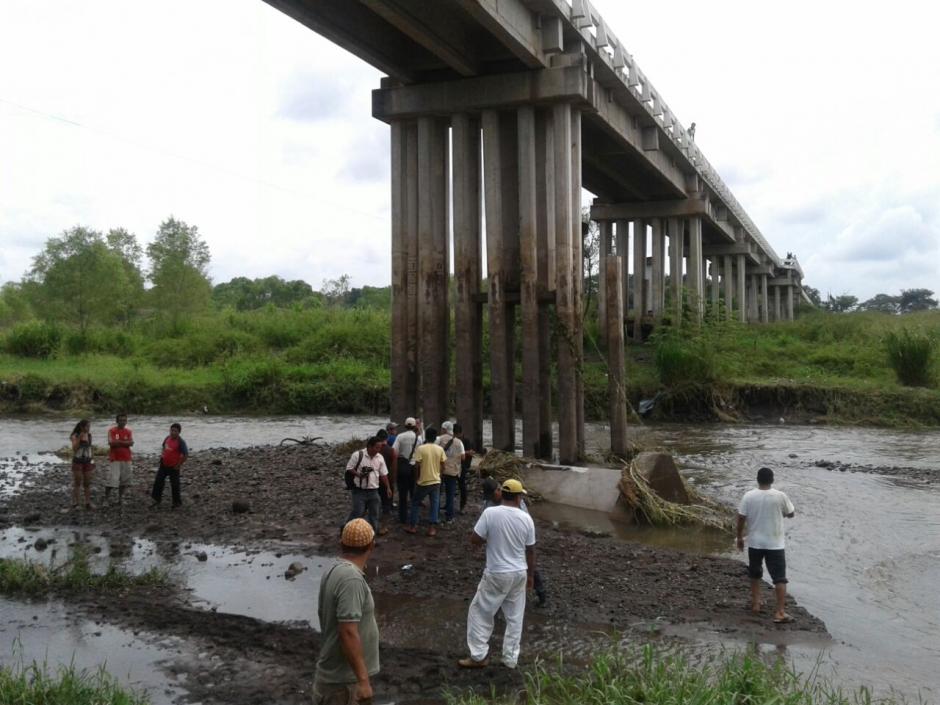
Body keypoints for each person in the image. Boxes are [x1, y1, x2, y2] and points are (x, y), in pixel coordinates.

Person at [459, 479, 536, 670]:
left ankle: (478, 656)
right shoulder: (526, 518)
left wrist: (492, 538)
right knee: (515, 617)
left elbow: (475, 539)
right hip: (519, 572)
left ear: (502, 494)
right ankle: (510, 659)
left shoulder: (490, 513)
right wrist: (531, 576)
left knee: (480, 611)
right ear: (518, 498)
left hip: (497, 572)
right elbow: (531, 550)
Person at [313, 518, 381, 705]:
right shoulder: (351, 579)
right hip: (343, 685)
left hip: (336, 680)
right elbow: (348, 632)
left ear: (341, 544)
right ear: (371, 545)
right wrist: (363, 681)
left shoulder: (334, 569)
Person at [736, 466, 796, 624]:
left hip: (755, 542)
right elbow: (791, 513)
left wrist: (739, 537)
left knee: (755, 574)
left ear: (757, 479)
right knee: (780, 578)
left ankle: (756, 604)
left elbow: (741, 518)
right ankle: (780, 612)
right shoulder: (780, 496)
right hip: (775, 543)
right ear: (772, 480)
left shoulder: (748, 496)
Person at [480, 477, 547, 607]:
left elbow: (525, 521)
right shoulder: (488, 504)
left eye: (493, 495)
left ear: (499, 490)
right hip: (499, 539)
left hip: (516, 538)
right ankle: (500, 597)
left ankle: (540, 592)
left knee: (527, 564)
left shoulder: (517, 502)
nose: (492, 499)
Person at [345, 436, 391, 536]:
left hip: (374, 490)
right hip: (359, 490)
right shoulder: (358, 455)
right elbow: (349, 468)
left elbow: (383, 474)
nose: (378, 450)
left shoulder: (380, 458)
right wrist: (359, 475)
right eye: (376, 448)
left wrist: (388, 487)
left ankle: (373, 533)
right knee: (358, 512)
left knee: (374, 513)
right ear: (370, 446)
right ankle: (346, 529)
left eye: (380, 448)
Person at [407, 426, 446, 537]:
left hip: (423, 481)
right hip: (436, 481)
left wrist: (417, 478)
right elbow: (443, 465)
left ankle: (413, 526)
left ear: (426, 437)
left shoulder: (421, 448)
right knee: (434, 504)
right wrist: (440, 476)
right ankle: (431, 529)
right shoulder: (440, 449)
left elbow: (416, 466)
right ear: (435, 438)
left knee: (415, 503)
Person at [436, 421, 472, 523]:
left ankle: (436, 515)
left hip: (441, 470)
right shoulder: (459, 442)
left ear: (444, 429)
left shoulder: (439, 439)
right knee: (450, 493)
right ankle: (449, 516)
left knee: (438, 492)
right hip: (454, 471)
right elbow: (463, 457)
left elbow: (435, 451)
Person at [391, 417, 421, 525]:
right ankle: (413, 517)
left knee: (402, 495)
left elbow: (394, 451)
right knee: (414, 494)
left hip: (402, 467)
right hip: (414, 469)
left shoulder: (400, 436)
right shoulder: (419, 438)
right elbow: (420, 454)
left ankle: (402, 517)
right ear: (414, 426)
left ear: (405, 425)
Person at [151, 422, 188, 509]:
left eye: (175, 431)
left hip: (174, 467)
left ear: (179, 432)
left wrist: (179, 465)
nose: (173, 432)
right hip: (164, 465)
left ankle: (177, 503)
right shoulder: (167, 438)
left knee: (175, 485)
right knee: (158, 482)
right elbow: (164, 447)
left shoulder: (181, 442)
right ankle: (156, 499)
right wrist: (162, 456)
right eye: (171, 430)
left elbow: (185, 454)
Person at [105, 413, 134, 507]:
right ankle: (106, 499)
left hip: (126, 458)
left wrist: (119, 442)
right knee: (112, 480)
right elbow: (111, 443)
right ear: (117, 421)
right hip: (115, 458)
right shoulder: (112, 431)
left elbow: (131, 443)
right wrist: (125, 443)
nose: (122, 422)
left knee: (125, 480)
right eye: (121, 420)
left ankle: (120, 499)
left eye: (124, 420)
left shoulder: (128, 431)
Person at [69, 419, 95, 510]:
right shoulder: (75, 435)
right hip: (78, 460)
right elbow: (74, 449)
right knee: (77, 482)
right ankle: (76, 503)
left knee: (87, 483)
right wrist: (80, 438)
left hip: (87, 461)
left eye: (89, 426)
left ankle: (88, 503)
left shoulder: (90, 435)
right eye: (87, 426)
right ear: (81, 427)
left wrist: (93, 460)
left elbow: (91, 448)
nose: (88, 428)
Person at [376, 429, 397, 516]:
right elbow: (394, 467)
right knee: (387, 498)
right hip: (387, 477)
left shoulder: (375, 449)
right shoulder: (391, 450)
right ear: (387, 438)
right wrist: (393, 479)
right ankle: (387, 511)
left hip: (375, 477)